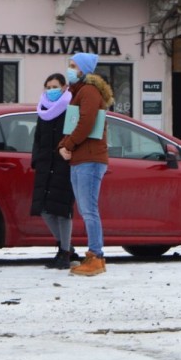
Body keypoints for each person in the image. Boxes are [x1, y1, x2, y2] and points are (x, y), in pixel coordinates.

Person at [58, 52, 114, 277]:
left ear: (83, 69)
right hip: (83, 158)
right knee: (86, 209)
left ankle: (96, 256)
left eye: (73, 66)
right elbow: (74, 124)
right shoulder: (80, 91)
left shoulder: (88, 91)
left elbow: (86, 122)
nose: (69, 69)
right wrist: (64, 145)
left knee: (89, 210)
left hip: (89, 159)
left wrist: (68, 145)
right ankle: (94, 255)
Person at [30, 73, 77, 270]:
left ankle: (64, 253)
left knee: (62, 211)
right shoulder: (43, 112)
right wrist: (37, 161)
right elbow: (38, 139)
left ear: (65, 88)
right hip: (45, 165)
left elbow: (75, 136)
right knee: (45, 210)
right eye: (48, 86)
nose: (51, 90)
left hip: (63, 165)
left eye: (55, 86)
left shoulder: (71, 110)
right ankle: (64, 247)